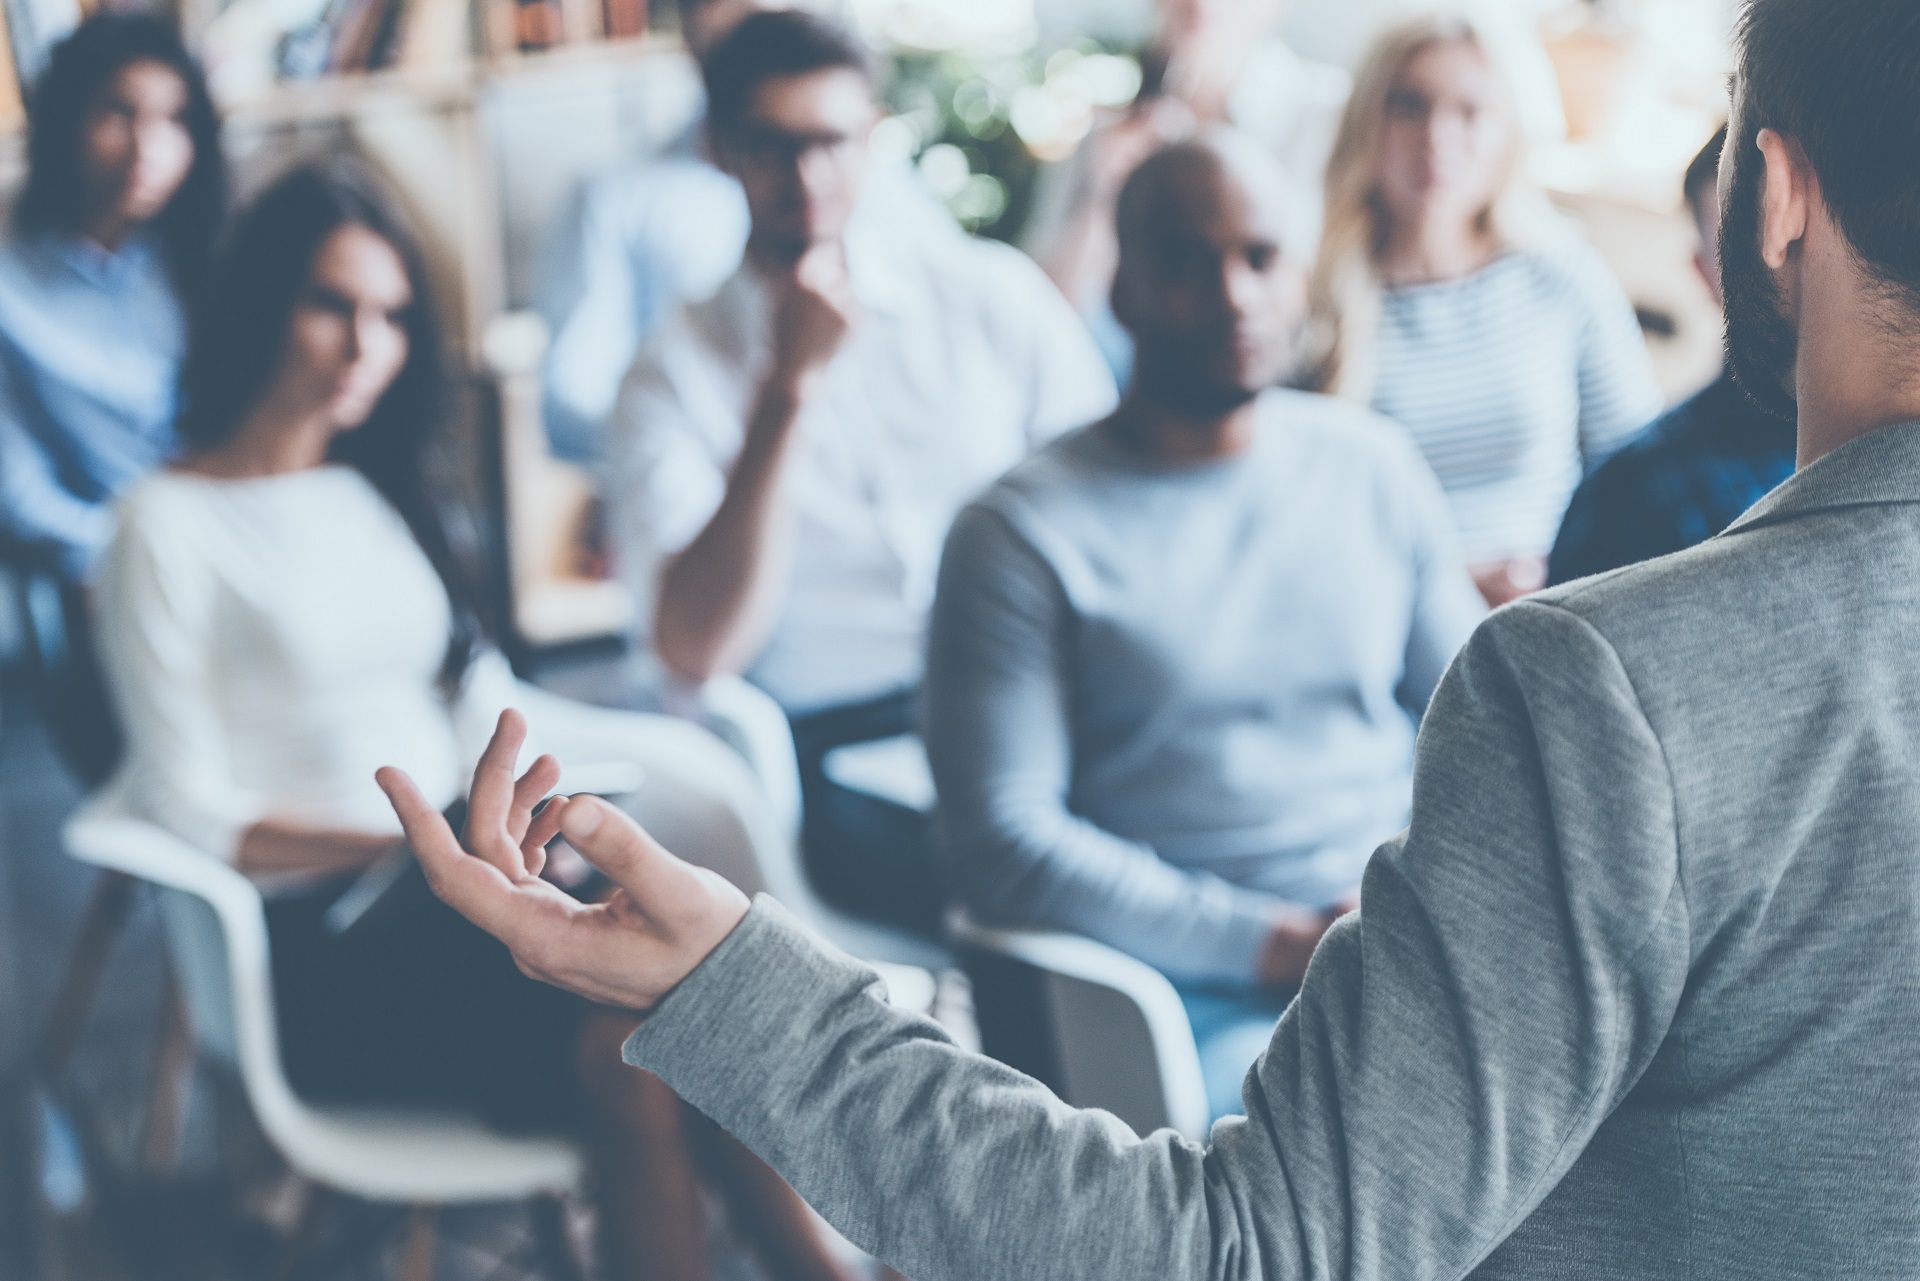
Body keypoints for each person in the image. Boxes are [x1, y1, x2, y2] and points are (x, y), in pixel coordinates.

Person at [387, 0, 1920, 1274]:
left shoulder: (1593, 681)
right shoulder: (1011, 517)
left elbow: (1249, 1252)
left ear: (1770, 199)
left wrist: (726, 974)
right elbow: (982, 821)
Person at [92, 165, 873, 1281]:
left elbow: (484, 707)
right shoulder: (162, 527)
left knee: (648, 1034)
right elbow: (185, 810)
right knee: (671, 1014)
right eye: (332, 304)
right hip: (317, 952)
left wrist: (530, 820)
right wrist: (420, 854)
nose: (367, 344)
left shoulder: (377, 495)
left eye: (394, 314)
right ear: (261, 304)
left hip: (472, 909)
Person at [928, 134, 1483, 1121]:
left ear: (1298, 275)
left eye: (1260, 258)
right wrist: (1271, 943)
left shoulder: (1372, 469)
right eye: (1187, 262)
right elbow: (1004, 840)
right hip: (1179, 997)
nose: (1234, 296)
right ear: (1122, 289)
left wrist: (1419, 907)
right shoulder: (1017, 532)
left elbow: (1488, 729)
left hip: (1405, 944)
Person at [605, 10, 1117, 935]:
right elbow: (694, 646)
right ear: (722, 149)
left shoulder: (986, 297)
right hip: (845, 739)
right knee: (1037, 850)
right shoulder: (672, 371)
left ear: (872, 134)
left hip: (1035, 693)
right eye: (773, 147)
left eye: (831, 143)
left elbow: (1118, 503)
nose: (807, 179)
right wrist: (786, 392)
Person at [1308, 13, 1663, 607]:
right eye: (1409, 105)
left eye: (1470, 111)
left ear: (1508, 135)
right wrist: (1450, 586)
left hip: (1554, 607)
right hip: (1381, 612)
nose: (1436, 137)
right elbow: (1298, 519)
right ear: (1367, 122)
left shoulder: (1562, 276)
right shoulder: (1316, 298)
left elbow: (1640, 471)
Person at [536, 0, 956, 462]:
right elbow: (569, 407)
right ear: (688, 31)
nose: (805, 178)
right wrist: (679, 439)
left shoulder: (874, 179)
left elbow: (957, 320)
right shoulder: (616, 202)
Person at [0, 14, 224, 583]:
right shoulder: (12, 288)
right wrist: (141, 562)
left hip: (234, 539)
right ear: (68, 118)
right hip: (108, 574)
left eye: (174, 119)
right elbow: (22, 494)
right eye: (118, 113)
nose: (147, 147)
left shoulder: (206, 259)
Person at [1023, 0, 1350, 381]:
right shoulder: (1105, 136)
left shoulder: (1325, 114)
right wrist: (1101, 198)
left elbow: (1312, 302)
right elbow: (1040, 319)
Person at [1547, 126, 1796, 584]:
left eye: (1797, 228)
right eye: (1743, 241)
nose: (1779, 258)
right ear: (1705, 275)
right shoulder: (1630, 496)